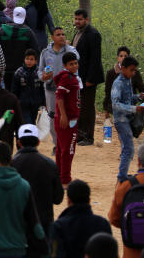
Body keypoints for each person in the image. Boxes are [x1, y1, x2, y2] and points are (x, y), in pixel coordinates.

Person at [12, 124, 64, 254]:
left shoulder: (11, 165)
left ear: (18, 142)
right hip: (44, 224)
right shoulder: (50, 164)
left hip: (17, 226)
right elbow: (58, 198)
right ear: (38, 142)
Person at [49, 180, 111, 258]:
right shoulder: (103, 224)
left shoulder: (58, 227)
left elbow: (56, 255)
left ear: (68, 200)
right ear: (89, 200)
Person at [112, 55, 144, 182]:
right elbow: (115, 104)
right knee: (129, 149)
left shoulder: (128, 80)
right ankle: (121, 178)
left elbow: (127, 98)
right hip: (121, 120)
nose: (133, 73)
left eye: (135, 70)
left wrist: (138, 97)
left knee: (127, 148)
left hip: (127, 119)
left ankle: (122, 175)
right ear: (123, 68)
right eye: (131, 70)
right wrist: (133, 108)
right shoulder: (118, 83)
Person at [72, 9, 103, 146]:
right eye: (76, 19)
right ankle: (80, 134)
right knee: (79, 107)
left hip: (88, 78)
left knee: (87, 108)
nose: (77, 22)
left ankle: (88, 137)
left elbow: (95, 59)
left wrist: (90, 79)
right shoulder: (79, 32)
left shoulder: (93, 34)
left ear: (87, 20)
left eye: (80, 19)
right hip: (79, 77)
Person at [55, 52, 82, 187]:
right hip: (68, 120)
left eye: (76, 63)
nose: (74, 65)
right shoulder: (67, 78)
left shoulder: (70, 77)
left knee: (61, 149)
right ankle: (65, 179)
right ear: (65, 65)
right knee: (68, 149)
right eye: (71, 64)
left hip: (67, 118)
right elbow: (59, 97)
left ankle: (59, 176)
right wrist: (64, 116)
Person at [40, 27, 78, 116]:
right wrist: (43, 77)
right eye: (58, 35)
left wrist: (67, 46)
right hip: (51, 88)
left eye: (63, 34)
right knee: (53, 115)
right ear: (52, 37)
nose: (61, 37)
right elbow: (40, 70)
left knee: (67, 114)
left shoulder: (70, 49)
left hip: (68, 89)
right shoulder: (45, 52)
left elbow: (76, 58)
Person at [13, 49, 45, 126]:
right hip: (23, 104)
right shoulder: (19, 72)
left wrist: (44, 102)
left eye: (31, 59)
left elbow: (42, 89)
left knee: (33, 123)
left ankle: (31, 137)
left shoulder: (39, 72)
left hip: (36, 103)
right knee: (28, 123)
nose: (29, 61)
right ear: (24, 59)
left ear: (36, 61)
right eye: (27, 59)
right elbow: (14, 89)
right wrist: (15, 102)